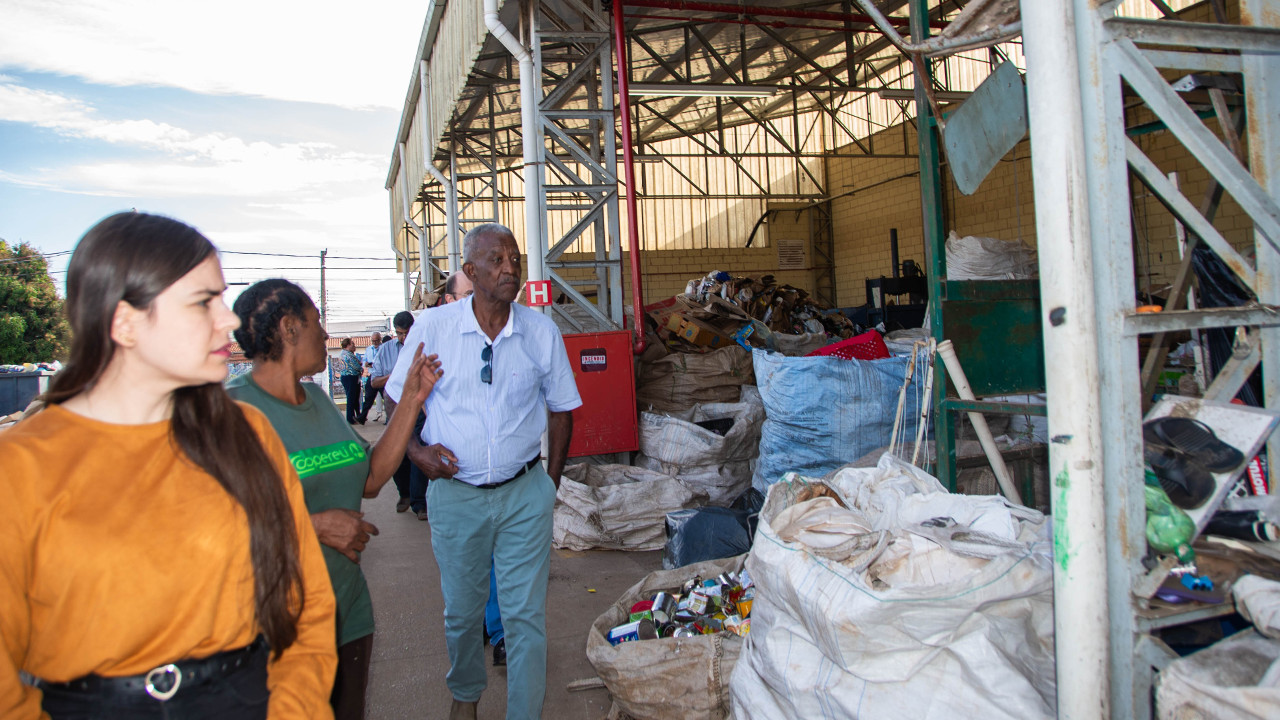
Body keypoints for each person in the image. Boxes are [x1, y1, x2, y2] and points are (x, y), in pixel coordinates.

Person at [0, 212, 338, 719]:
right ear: (124, 321)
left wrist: (293, 710)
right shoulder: (22, 465)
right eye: (204, 302)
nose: (228, 320)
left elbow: (306, 605)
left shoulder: (247, 435)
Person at [387, 223, 581, 720]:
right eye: (496, 260)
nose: (510, 267)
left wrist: (548, 485)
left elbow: (562, 411)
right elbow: (397, 402)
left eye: (514, 257)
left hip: (523, 494)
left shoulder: (540, 331)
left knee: (524, 618)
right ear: (470, 272)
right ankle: (465, 697)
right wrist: (415, 452)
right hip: (457, 496)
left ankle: (524, 713)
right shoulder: (434, 329)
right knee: (462, 613)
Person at [226, 279, 442, 720]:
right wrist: (313, 526)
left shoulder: (320, 401)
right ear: (289, 328)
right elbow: (202, 529)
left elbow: (372, 479)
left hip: (346, 614)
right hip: (271, 629)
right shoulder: (229, 412)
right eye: (316, 321)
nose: (325, 334)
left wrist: (413, 401)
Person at [370, 312, 418, 515]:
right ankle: (404, 493)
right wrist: (396, 376)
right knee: (399, 454)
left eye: (407, 333)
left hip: (420, 410)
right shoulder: (386, 350)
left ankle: (419, 502)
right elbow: (374, 381)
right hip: (394, 408)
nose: (403, 338)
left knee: (419, 453)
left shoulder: (423, 345)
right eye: (399, 333)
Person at [357, 332, 383, 423]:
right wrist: (366, 364)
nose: (375, 342)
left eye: (376, 340)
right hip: (372, 375)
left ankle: (390, 418)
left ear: (380, 339)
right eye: (373, 341)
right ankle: (362, 417)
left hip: (382, 376)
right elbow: (364, 360)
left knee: (387, 397)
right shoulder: (368, 349)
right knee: (368, 398)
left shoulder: (383, 348)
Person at [337, 338, 363, 425]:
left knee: (354, 398)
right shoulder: (348, 354)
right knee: (352, 398)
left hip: (346, 377)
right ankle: (350, 418)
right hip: (351, 377)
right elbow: (355, 365)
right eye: (352, 344)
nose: (354, 345)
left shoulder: (342, 353)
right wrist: (361, 368)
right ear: (348, 345)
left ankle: (357, 416)